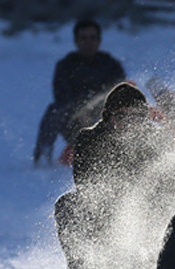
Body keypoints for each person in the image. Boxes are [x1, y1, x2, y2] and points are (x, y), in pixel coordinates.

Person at [55, 82, 175, 269]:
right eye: (121, 115)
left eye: (135, 115)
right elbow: (86, 186)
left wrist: (148, 217)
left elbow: (170, 188)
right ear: (109, 117)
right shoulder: (90, 139)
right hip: (104, 220)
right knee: (69, 206)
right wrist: (119, 205)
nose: (128, 121)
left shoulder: (159, 141)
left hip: (150, 222)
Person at [33, 19, 126, 166]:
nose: (88, 42)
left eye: (92, 38)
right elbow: (61, 95)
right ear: (76, 41)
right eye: (83, 38)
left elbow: (120, 94)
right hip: (74, 122)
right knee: (54, 109)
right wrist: (82, 110)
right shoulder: (65, 66)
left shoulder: (111, 65)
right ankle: (44, 154)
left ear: (99, 41)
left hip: (104, 122)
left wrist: (97, 112)